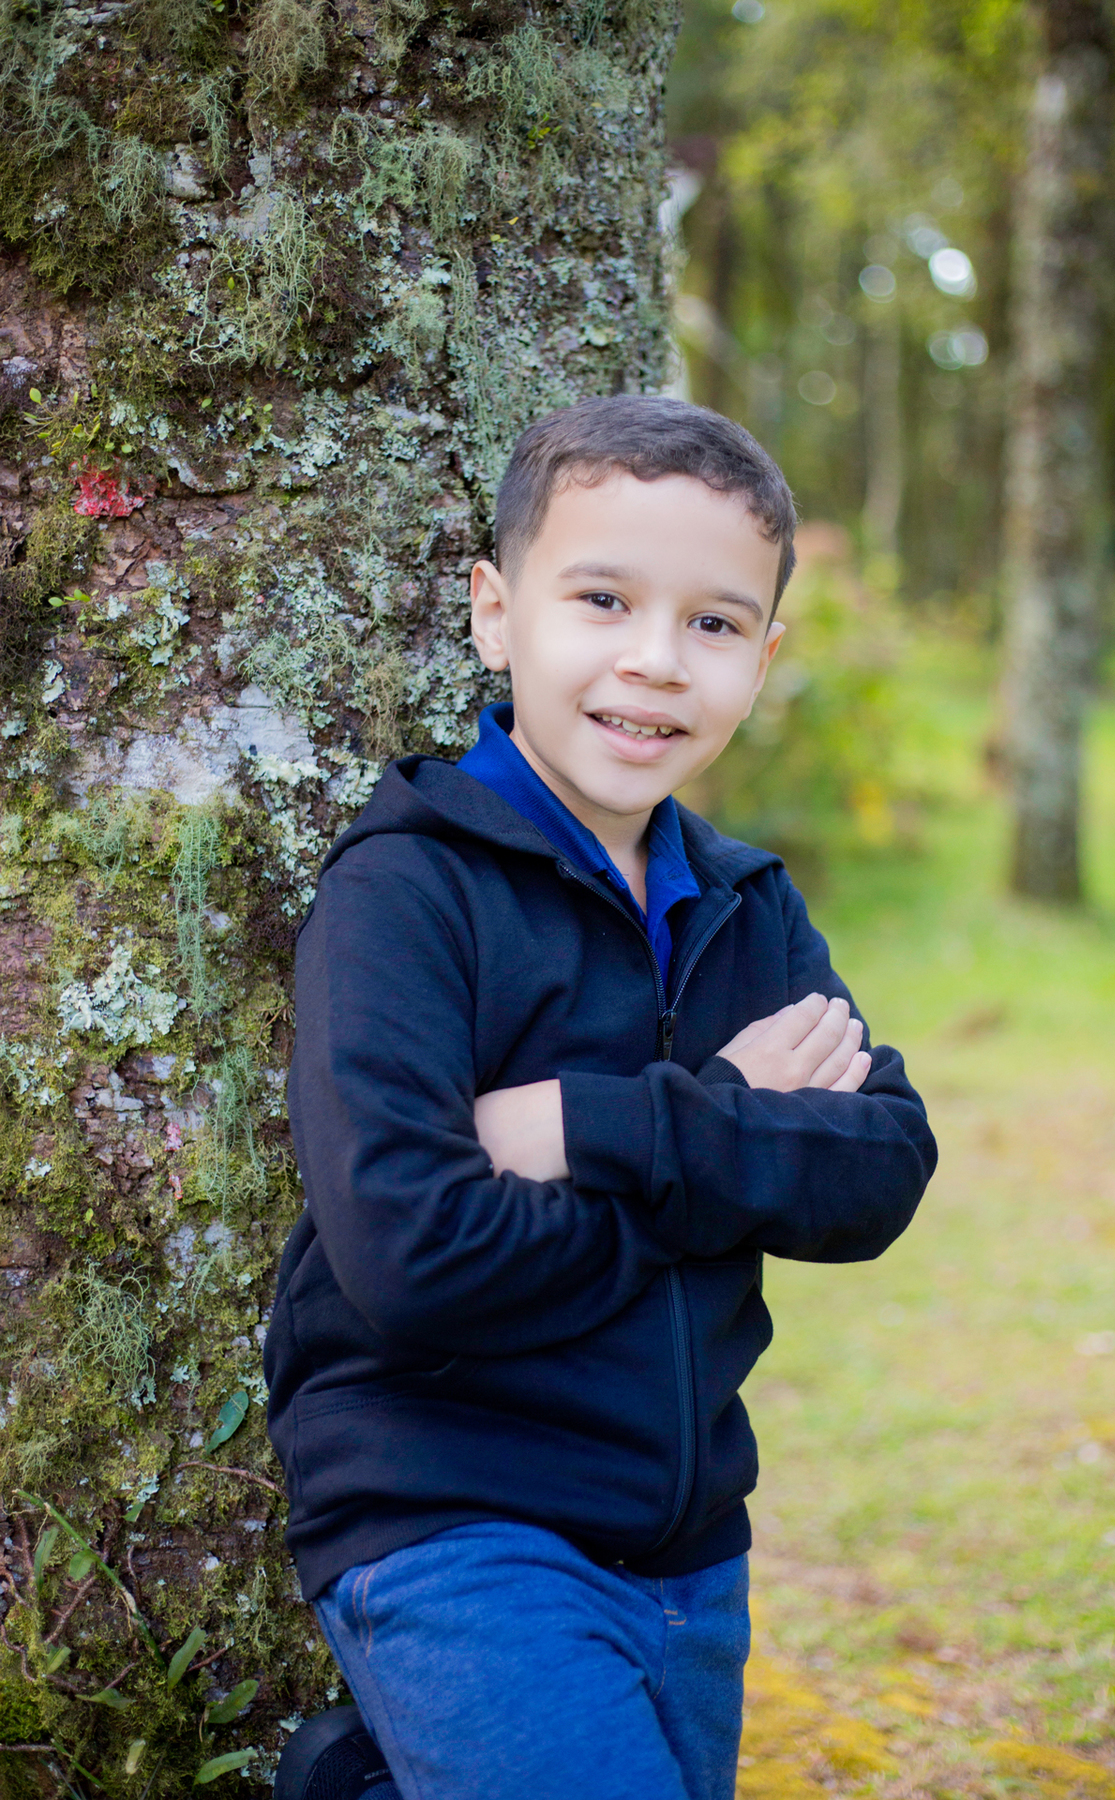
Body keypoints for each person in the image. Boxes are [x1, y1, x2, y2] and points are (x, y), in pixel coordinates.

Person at [264, 395, 937, 1800]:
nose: (654, 661)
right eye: (603, 599)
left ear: (765, 654)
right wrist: (730, 1133)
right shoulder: (406, 893)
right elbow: (416, 1256)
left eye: (712, 622)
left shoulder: (745, 903)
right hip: (456, 1522)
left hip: (692, 1548)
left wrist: (591, 1121)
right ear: (496, 614)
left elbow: (879, 1165)